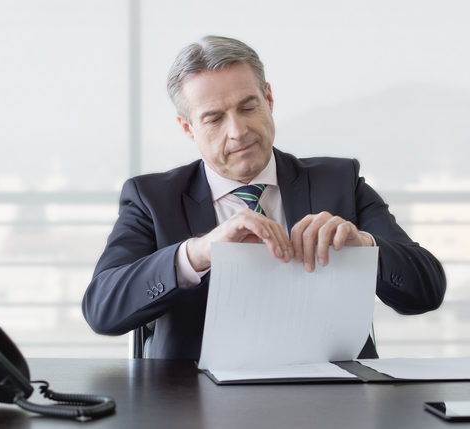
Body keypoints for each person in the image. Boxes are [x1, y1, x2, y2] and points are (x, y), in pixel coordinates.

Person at [82, 35, 446, 359]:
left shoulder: (339, 181)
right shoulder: (152, 199)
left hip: (337, 394)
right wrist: (198, 252)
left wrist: (367, 248)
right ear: (187, 128)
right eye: (213, 119)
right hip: (194, 400)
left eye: (248, 107)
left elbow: (427, 290)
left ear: (268, 99)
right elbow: (101, 308)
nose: (238, 131)